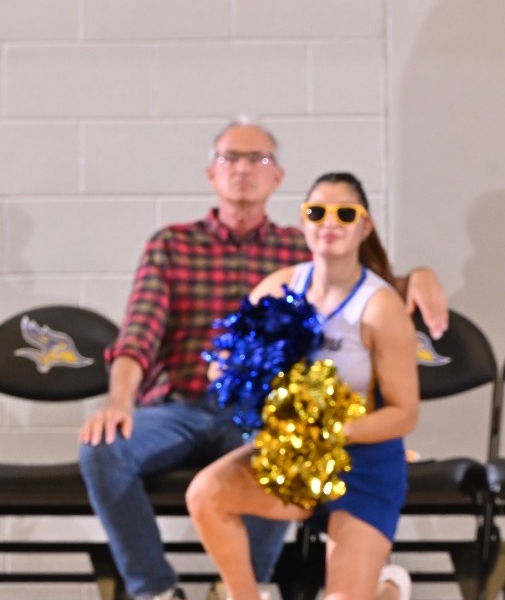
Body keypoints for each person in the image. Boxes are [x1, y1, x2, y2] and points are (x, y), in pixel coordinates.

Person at [77, 123, 447, 600]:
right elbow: (146, 338)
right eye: (232, 157)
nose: (245, 169)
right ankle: (191, 592)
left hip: (350, 453)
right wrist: (136, 398)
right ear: (212, 172)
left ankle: (372, 582)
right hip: (215, 417)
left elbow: (372, 290)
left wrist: (422, 274)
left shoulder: (350, 282)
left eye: (259, 159)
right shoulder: (265, 273)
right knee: (184, 481)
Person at [185, 173, 419, 600]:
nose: (330, 222)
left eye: (345, 213)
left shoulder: (380, 307)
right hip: (291, 459)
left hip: (361, 466)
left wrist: (328, 432)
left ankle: (386, 588)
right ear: (304, 223)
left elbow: (404, 413)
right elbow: (225, 363)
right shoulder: (280, 288)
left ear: (365, 226)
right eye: (317, 212)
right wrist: (231, 374)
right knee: (205, 494)